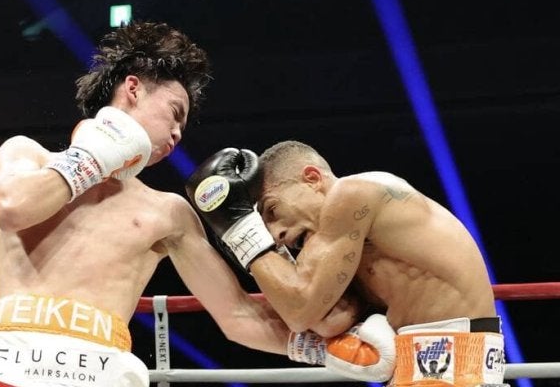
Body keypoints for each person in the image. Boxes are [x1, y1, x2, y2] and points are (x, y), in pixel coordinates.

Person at [0, 22, 346, 387]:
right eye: (174, 113)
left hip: (96, 371)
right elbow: (13, 208)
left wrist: (332, 349)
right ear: (132, 88)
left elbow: (238, 316)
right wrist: (93, 157)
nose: (177, 133)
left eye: (183, 125)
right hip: (0, 362)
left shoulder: (167, 212)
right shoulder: (26, 154)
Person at [185, 141, 508, 386]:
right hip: (427, 366)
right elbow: (326, 321)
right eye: (264, 226)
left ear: (312, 178)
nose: (276, 234)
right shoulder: (340, 246)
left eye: (272, 211)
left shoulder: (355, 192)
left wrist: (241, 228)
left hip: (454, 365)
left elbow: (299, 310)